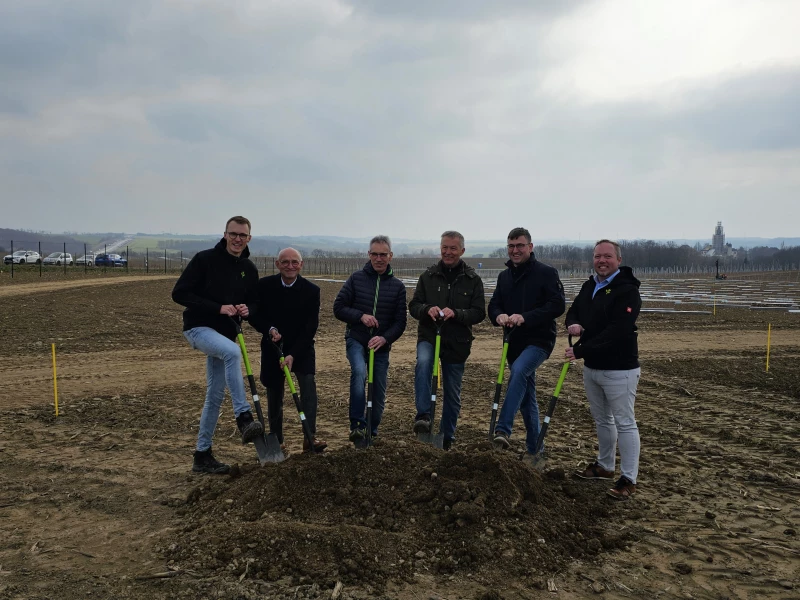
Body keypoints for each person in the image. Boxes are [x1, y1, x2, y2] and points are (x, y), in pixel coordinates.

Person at [172, 216, 264, 474]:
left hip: (225, 335)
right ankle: (244, 418)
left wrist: (248, 309)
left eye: (242, 235)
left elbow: (255, 303)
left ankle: (202, 455)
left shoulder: (249, 268)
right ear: (225, 234)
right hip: (198, 328)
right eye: (233, 234)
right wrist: (217, 308)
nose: (237, 239)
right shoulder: (204, 260)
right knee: (233, 353)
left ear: (249, 238)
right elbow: (179, 293)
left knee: (214, 396)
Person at [565, 239, 642, 500]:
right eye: (598, 256)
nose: (602, 261)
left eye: (607, 256)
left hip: (620, 368)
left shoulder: (628, 290)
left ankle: (629, 479)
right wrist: (573, 324)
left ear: (618, 260)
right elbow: (573, 311)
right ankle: (605, 466)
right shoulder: (590, 286)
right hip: (593, 368)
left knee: (625, 423)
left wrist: (581, 350)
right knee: (602, 420)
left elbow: (618, 330)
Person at [488, 227, 565, 455]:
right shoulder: (504, 277)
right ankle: (535, 451)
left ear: (530, 247)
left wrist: (526, 317)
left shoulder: (546, 273)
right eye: (511, 246)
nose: (515, 250)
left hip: (539, 341)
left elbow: (557, 305)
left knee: (520, 371)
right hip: (513, 343)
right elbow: (493, 305)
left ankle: (502, 430)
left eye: (520, 245)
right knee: (528, 399)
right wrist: (498, 315)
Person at [408, 231, 485, 450]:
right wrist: (426, 309)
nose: (448, 252)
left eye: (453, 248)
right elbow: (413, 306)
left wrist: (458, 314)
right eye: (444, 247)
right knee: (423, 363)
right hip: (430, 336)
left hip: (457, 342)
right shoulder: (428, 277)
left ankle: (447, 435)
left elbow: (479, 312)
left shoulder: (472, 280)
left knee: (452, 391)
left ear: (462, 250)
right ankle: (423, 416)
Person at [250, 247, 327, 453]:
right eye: (285, 262)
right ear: (277, 264)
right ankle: (278, 440)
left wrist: (293, 354)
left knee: (308, 387)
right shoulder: (264, 286)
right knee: (274, 392)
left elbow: (311, 327)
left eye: (295, 262)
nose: (290, 266)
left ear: (301, 265)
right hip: (272, 346)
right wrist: (270, 329)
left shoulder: (312, 291)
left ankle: (309, 437)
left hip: (301, 348)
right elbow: (255, 315)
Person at [333, 235, 407, 443]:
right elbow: (338, 308)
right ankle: (357, 425)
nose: (378, 258)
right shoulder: (356, 279)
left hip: (381, 347)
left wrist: (384, 339)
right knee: (359, 372)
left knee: (378, 389)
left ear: (390, 256)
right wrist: (360, 316)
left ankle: (371, 431)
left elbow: (400, 323)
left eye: (383, 254)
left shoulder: (397, 287)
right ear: (368, 255)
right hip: (356, 339)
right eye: (374, 254)